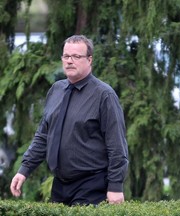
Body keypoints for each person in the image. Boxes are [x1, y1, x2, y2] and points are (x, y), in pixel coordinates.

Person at [10, 35, 129, 206]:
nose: (69, 61)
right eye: (66, 56)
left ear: (89, 60)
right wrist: (24, 170)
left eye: (76, 56)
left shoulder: (104, 95)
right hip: (60, 185)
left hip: (92, 185)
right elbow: (43, 136)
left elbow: (117, 145)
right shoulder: (56, 90)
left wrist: (116, 186)